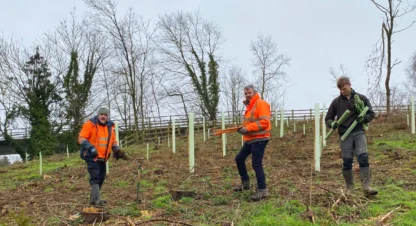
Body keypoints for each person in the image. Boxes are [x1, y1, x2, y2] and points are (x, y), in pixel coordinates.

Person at [325, 76, 378, 197]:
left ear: (349, 85)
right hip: (344, 135)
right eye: (340, 90)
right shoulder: (336, 102)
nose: (342, 91)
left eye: (344, 88)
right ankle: (350, 188)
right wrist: (332, 124)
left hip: (359, 132)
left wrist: (363, 118)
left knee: (363, 157)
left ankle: (366, 187)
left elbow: (371, 113)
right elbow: (328, 118)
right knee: (347, 161)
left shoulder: (362, 98)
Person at [78, 107, 128, 206]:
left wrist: (117, 149)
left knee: (101, 177)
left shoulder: (110, 127)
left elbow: (113, 140)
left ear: (107, 116)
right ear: (98, 115)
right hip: (92, 156)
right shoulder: (90, 124)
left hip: (103, 157)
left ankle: (93, 200)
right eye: (102, 114)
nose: (103, 117)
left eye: (105, 115)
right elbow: (81, 138)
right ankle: (96, 201)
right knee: (95, 177)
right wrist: (91, 148)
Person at [233, 85, 271, 201]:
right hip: (251, 139)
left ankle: (263, 190)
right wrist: (243, 128)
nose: (247, 95)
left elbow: (264, 122)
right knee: (239, 158)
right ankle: (246, 184)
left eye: (249, 92)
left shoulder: (261, 103)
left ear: (254, 92)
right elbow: (249, 123)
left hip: (260, 138)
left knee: (256, 164)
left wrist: (247, 129)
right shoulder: (250, 106)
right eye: (245, 93)